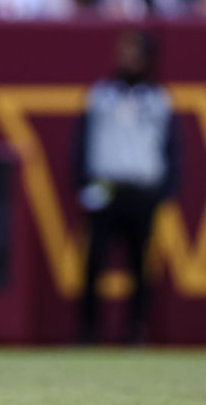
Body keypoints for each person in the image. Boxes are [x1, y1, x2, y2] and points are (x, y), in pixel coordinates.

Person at [74, 31, 179, 344]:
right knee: (94, 261)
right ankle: (89, 331)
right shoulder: (101, 95)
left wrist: (167, 190)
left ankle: (137, 329)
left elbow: (173, 148)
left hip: (142, 190)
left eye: (134, 52)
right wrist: (81, 183)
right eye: (124, 51)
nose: (127, 58)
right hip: (105, 188)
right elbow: (81, 141)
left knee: (140, 265)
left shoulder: (159, 99)